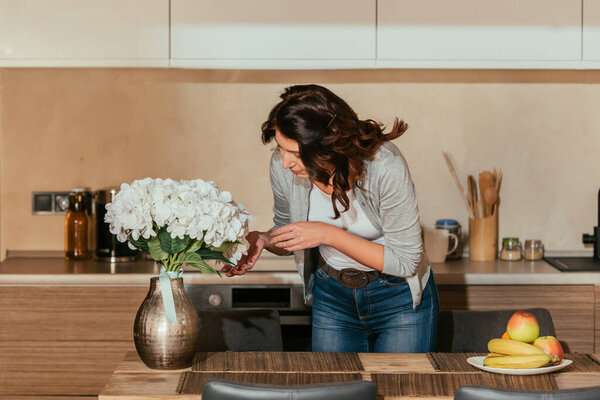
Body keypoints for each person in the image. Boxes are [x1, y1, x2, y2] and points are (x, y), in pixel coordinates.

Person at [222, 84, 439, 353]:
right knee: (336, 390)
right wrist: (266, 239)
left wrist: (328, 234)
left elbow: (406, 261)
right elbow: (291, 230)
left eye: (296, 154)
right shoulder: (285, 170)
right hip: (333, 297)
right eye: (281, 148)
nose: (285, 162)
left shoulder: (384, 165)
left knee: (400, 392)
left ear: (328, 146)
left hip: (397, 298)